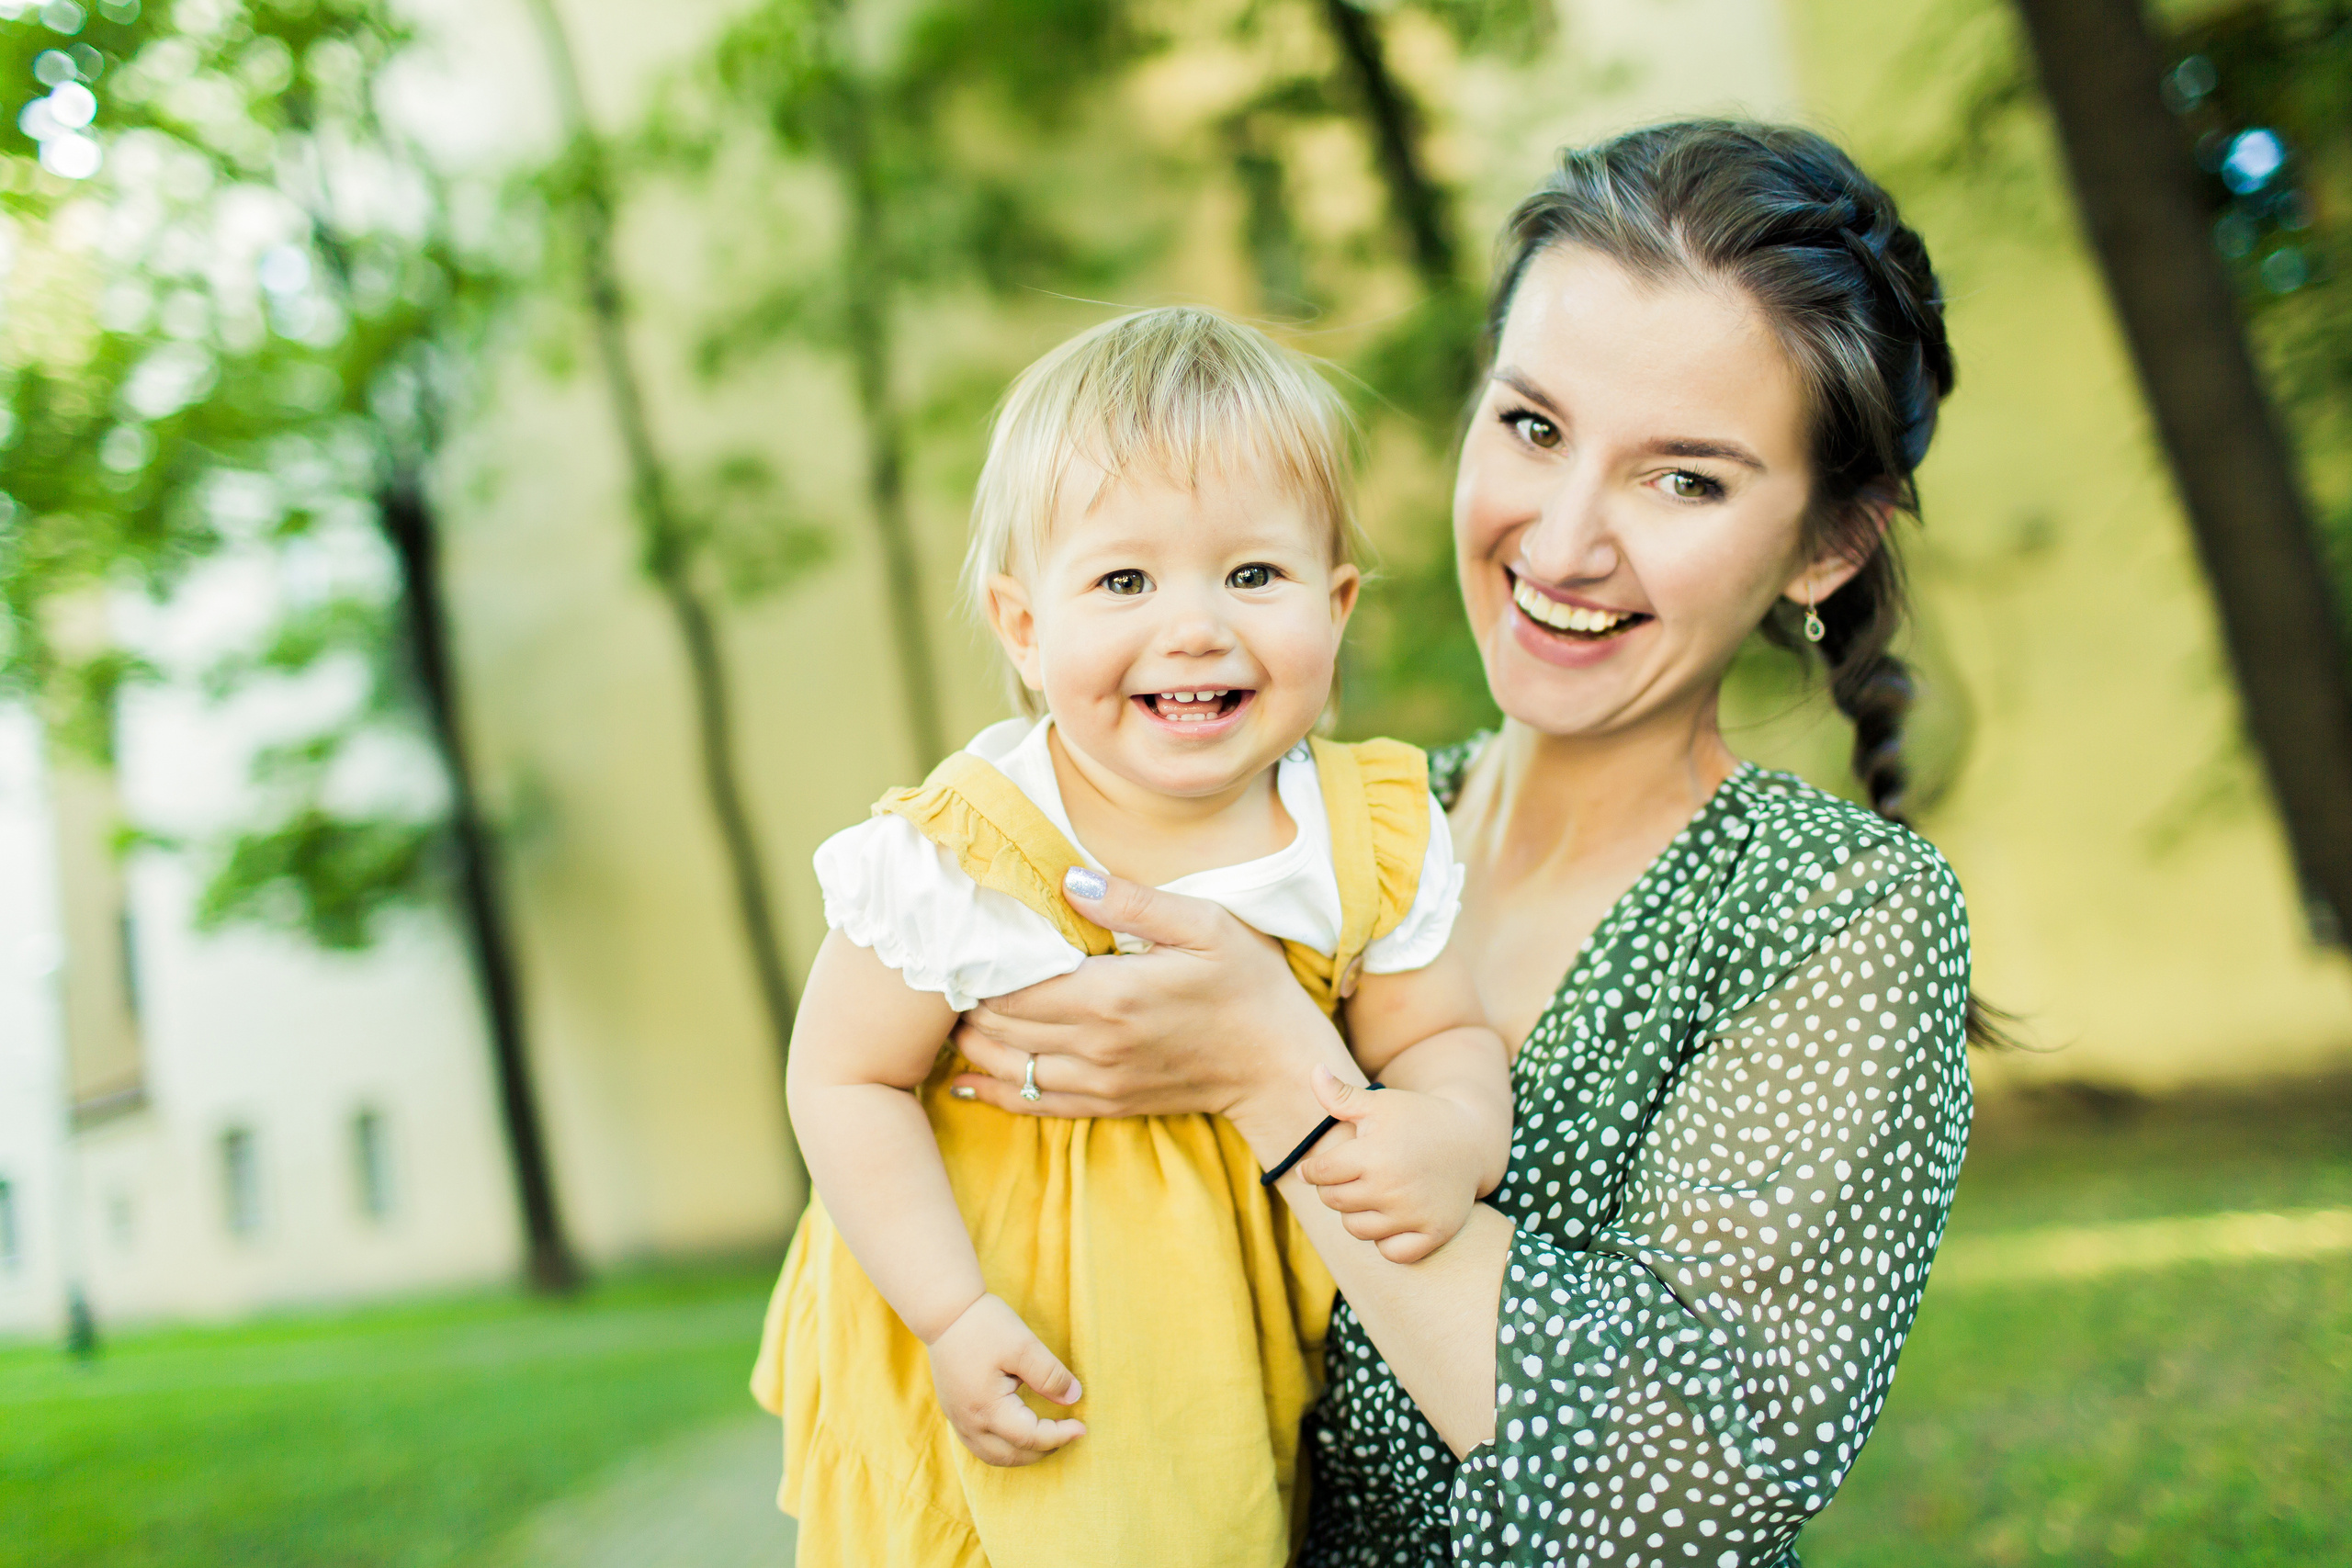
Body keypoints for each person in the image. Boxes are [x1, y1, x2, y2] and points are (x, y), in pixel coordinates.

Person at [944, 121, 1982, 1566]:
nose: (1561, 545)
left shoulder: (1835, 913)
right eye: (1534, 427)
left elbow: (1686, 1495)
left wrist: (1275, 1076)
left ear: (1826, 545)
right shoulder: (1330, 833)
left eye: (1684, 479)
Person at [751, 306, 1512, 1568]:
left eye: (1252, 576)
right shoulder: (972, 848)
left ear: (1336, 605)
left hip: (1224, 1339)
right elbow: (845, 1076)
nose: (1196, 626)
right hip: (1016, 1320)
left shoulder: (1364, 830)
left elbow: (1438, 1032)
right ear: (1025, 627)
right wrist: (949, 1311)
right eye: (1124, 580)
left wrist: (1450, 1131)